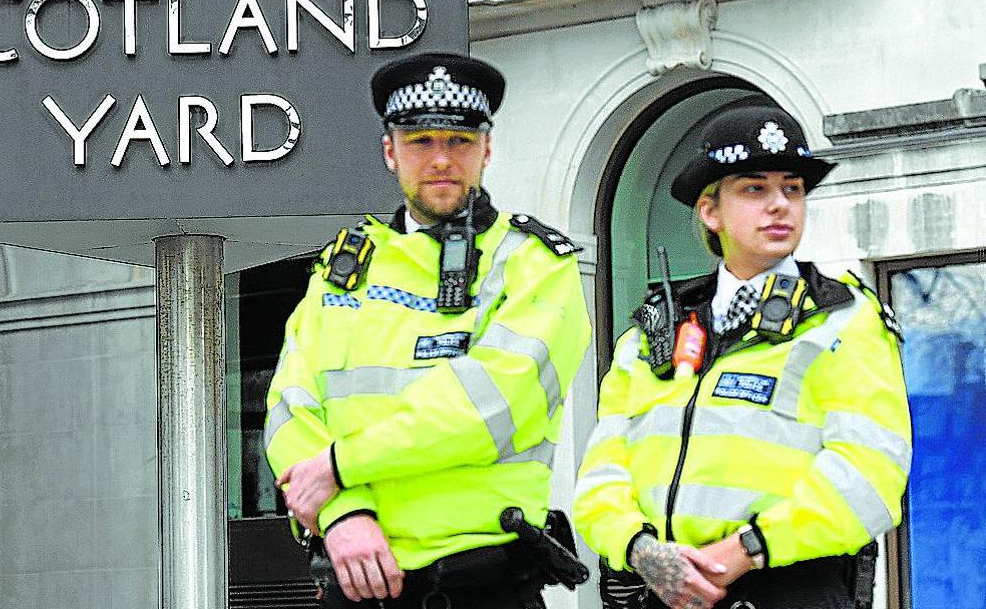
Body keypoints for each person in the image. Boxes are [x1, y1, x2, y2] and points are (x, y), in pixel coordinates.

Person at [264, 52, 592, 609]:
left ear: (488, 149)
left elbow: (491, 407)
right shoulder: (343, 270)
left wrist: (341, 467)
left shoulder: (535, 264)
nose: (442, 160)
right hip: (354, 576)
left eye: (460, 142)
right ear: (389, 151)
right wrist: (342, 514)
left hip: (483, 586)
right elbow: (288, 408)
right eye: (420, 142)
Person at [573, 97, 911, 609]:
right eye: (755, 189)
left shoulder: (844, 317)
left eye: (792, 190)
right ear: (710, 211)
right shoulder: (654, 329)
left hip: (789, 588)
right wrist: (640, 550)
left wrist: (746, 548)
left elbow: (872, 472)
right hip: (664, 590)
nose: (779, 205)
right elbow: (602, 469)